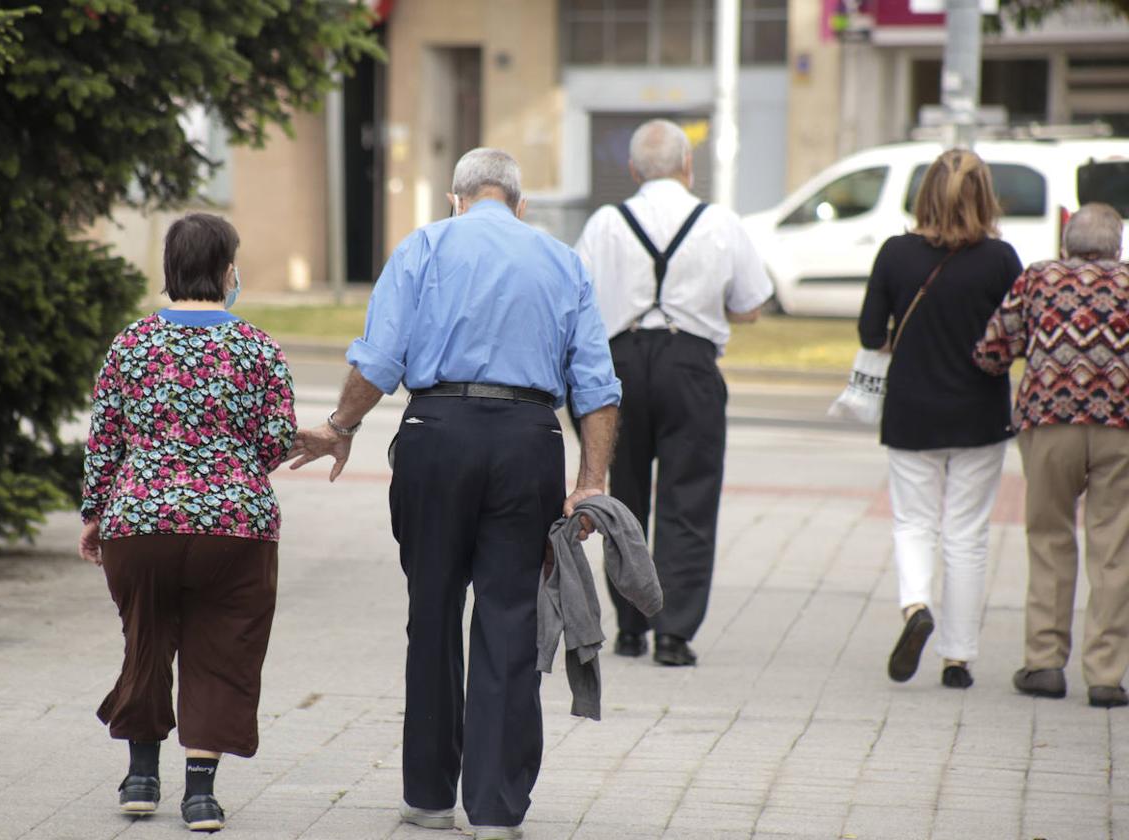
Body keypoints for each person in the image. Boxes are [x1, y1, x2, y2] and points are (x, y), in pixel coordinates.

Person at [286, 148, 620, 840]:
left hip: (436, 432)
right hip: (528, 438)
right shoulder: (561, 261)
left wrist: (339, 427)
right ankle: (496, 810)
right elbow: (597, 384)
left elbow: (379, 358)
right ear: (520, 204)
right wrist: (591, 482)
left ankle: (431, 798)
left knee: (432, 611)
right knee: (507, 616)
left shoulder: (424, 246)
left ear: (455, 198)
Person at [78, 213, 296, 832]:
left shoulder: (131, 344)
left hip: (139, 522)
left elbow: (105, 442)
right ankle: (200, 795)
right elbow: (274, 441)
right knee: (224, 645)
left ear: (170, 268)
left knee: (145, 637)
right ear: (228, 270)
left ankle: (141, 777)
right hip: (235, 525)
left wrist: (96, 514)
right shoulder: (256, 347)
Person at [573, 119, 772, 666]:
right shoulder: (720, 223)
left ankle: (630, 628)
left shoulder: (606, 223)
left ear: (634, 170)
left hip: (621, 365)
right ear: (689, 167)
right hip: (691, 364)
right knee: (689, 500)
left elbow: (579, 301)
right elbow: (750, 304)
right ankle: (674, 633)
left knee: (624, 498)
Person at [858, 149, 1022, 690]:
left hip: (911, 410)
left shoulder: (895, 254)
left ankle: (914, 607)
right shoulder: (1001, 260)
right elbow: (1018, 334)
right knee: (967, 534)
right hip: (979, 412)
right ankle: (958, 658)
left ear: (924, 194)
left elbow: (868, 333)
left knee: (913, 522)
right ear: (986, 197)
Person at [974, 202, 1129, 708]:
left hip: (1050, 424)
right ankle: (1105, 675)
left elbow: (995, 349)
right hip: (1121, 430)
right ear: (1118, 247)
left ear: (1066, 242)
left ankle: (1043, 664)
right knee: (1114, 551)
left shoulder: (1040, 278)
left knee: (1048, 539)